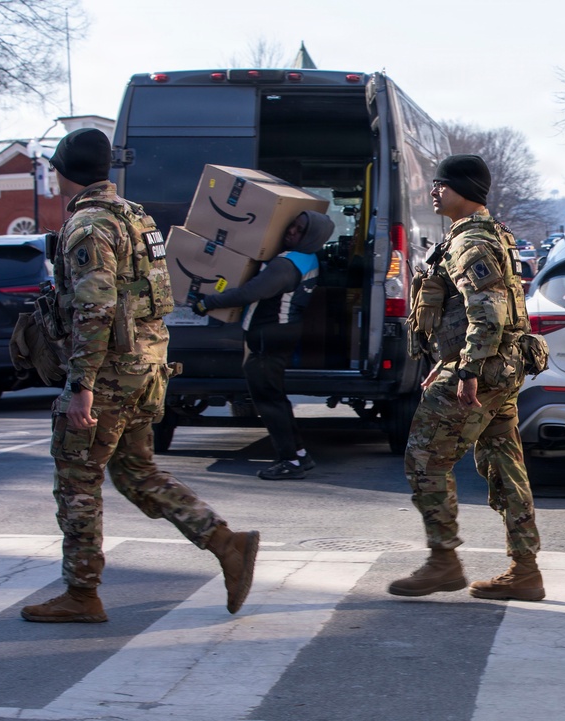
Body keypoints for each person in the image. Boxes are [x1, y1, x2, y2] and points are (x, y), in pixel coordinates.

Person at [21, 128, 259, 624]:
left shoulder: (87, 225)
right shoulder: (134, 215)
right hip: (144, 368)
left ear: (64, 170)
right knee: (135, 473)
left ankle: (81, 594)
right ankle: (226, 543)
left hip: (106, 374)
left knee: (77, 482)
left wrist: (81, 384)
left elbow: (96, 304)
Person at [388, 154, 543, 601]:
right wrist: (452, 357)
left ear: (463, 189)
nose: (434, 191)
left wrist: (468, 369)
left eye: (442, 184)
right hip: (500, 367)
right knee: (504, 462)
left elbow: (489, 313)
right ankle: (525, 568)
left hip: (481, 372)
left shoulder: (470, 241)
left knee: (425, 459)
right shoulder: (491, 235)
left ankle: (443, 561)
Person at [192, 211, 335, 480]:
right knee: (276, 398)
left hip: (269, 338)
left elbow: (250, 293)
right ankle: (300, 455)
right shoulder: (309, 258)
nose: (291, 230)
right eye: (292, 225)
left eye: (299, 229)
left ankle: (289, 462)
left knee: (269, 402)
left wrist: (206, 303)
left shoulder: (286, 265)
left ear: (311, 236)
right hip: (283, 333)